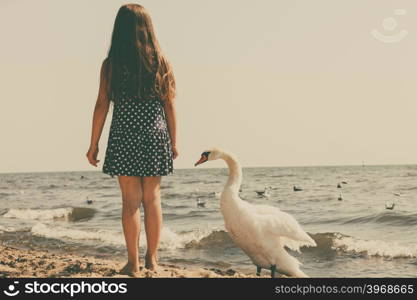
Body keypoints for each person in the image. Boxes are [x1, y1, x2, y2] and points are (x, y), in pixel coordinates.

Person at [86, 3, 178, 277]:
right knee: (152, 199)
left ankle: (133, 263)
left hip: (124, 134)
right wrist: (174, 141)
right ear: (148, 30)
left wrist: (93, 144)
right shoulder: (160, 62)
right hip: (154, 135)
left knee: (130, 202)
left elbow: (102, 104)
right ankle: (152, 260)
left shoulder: (111, 65)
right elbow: (169, 104)